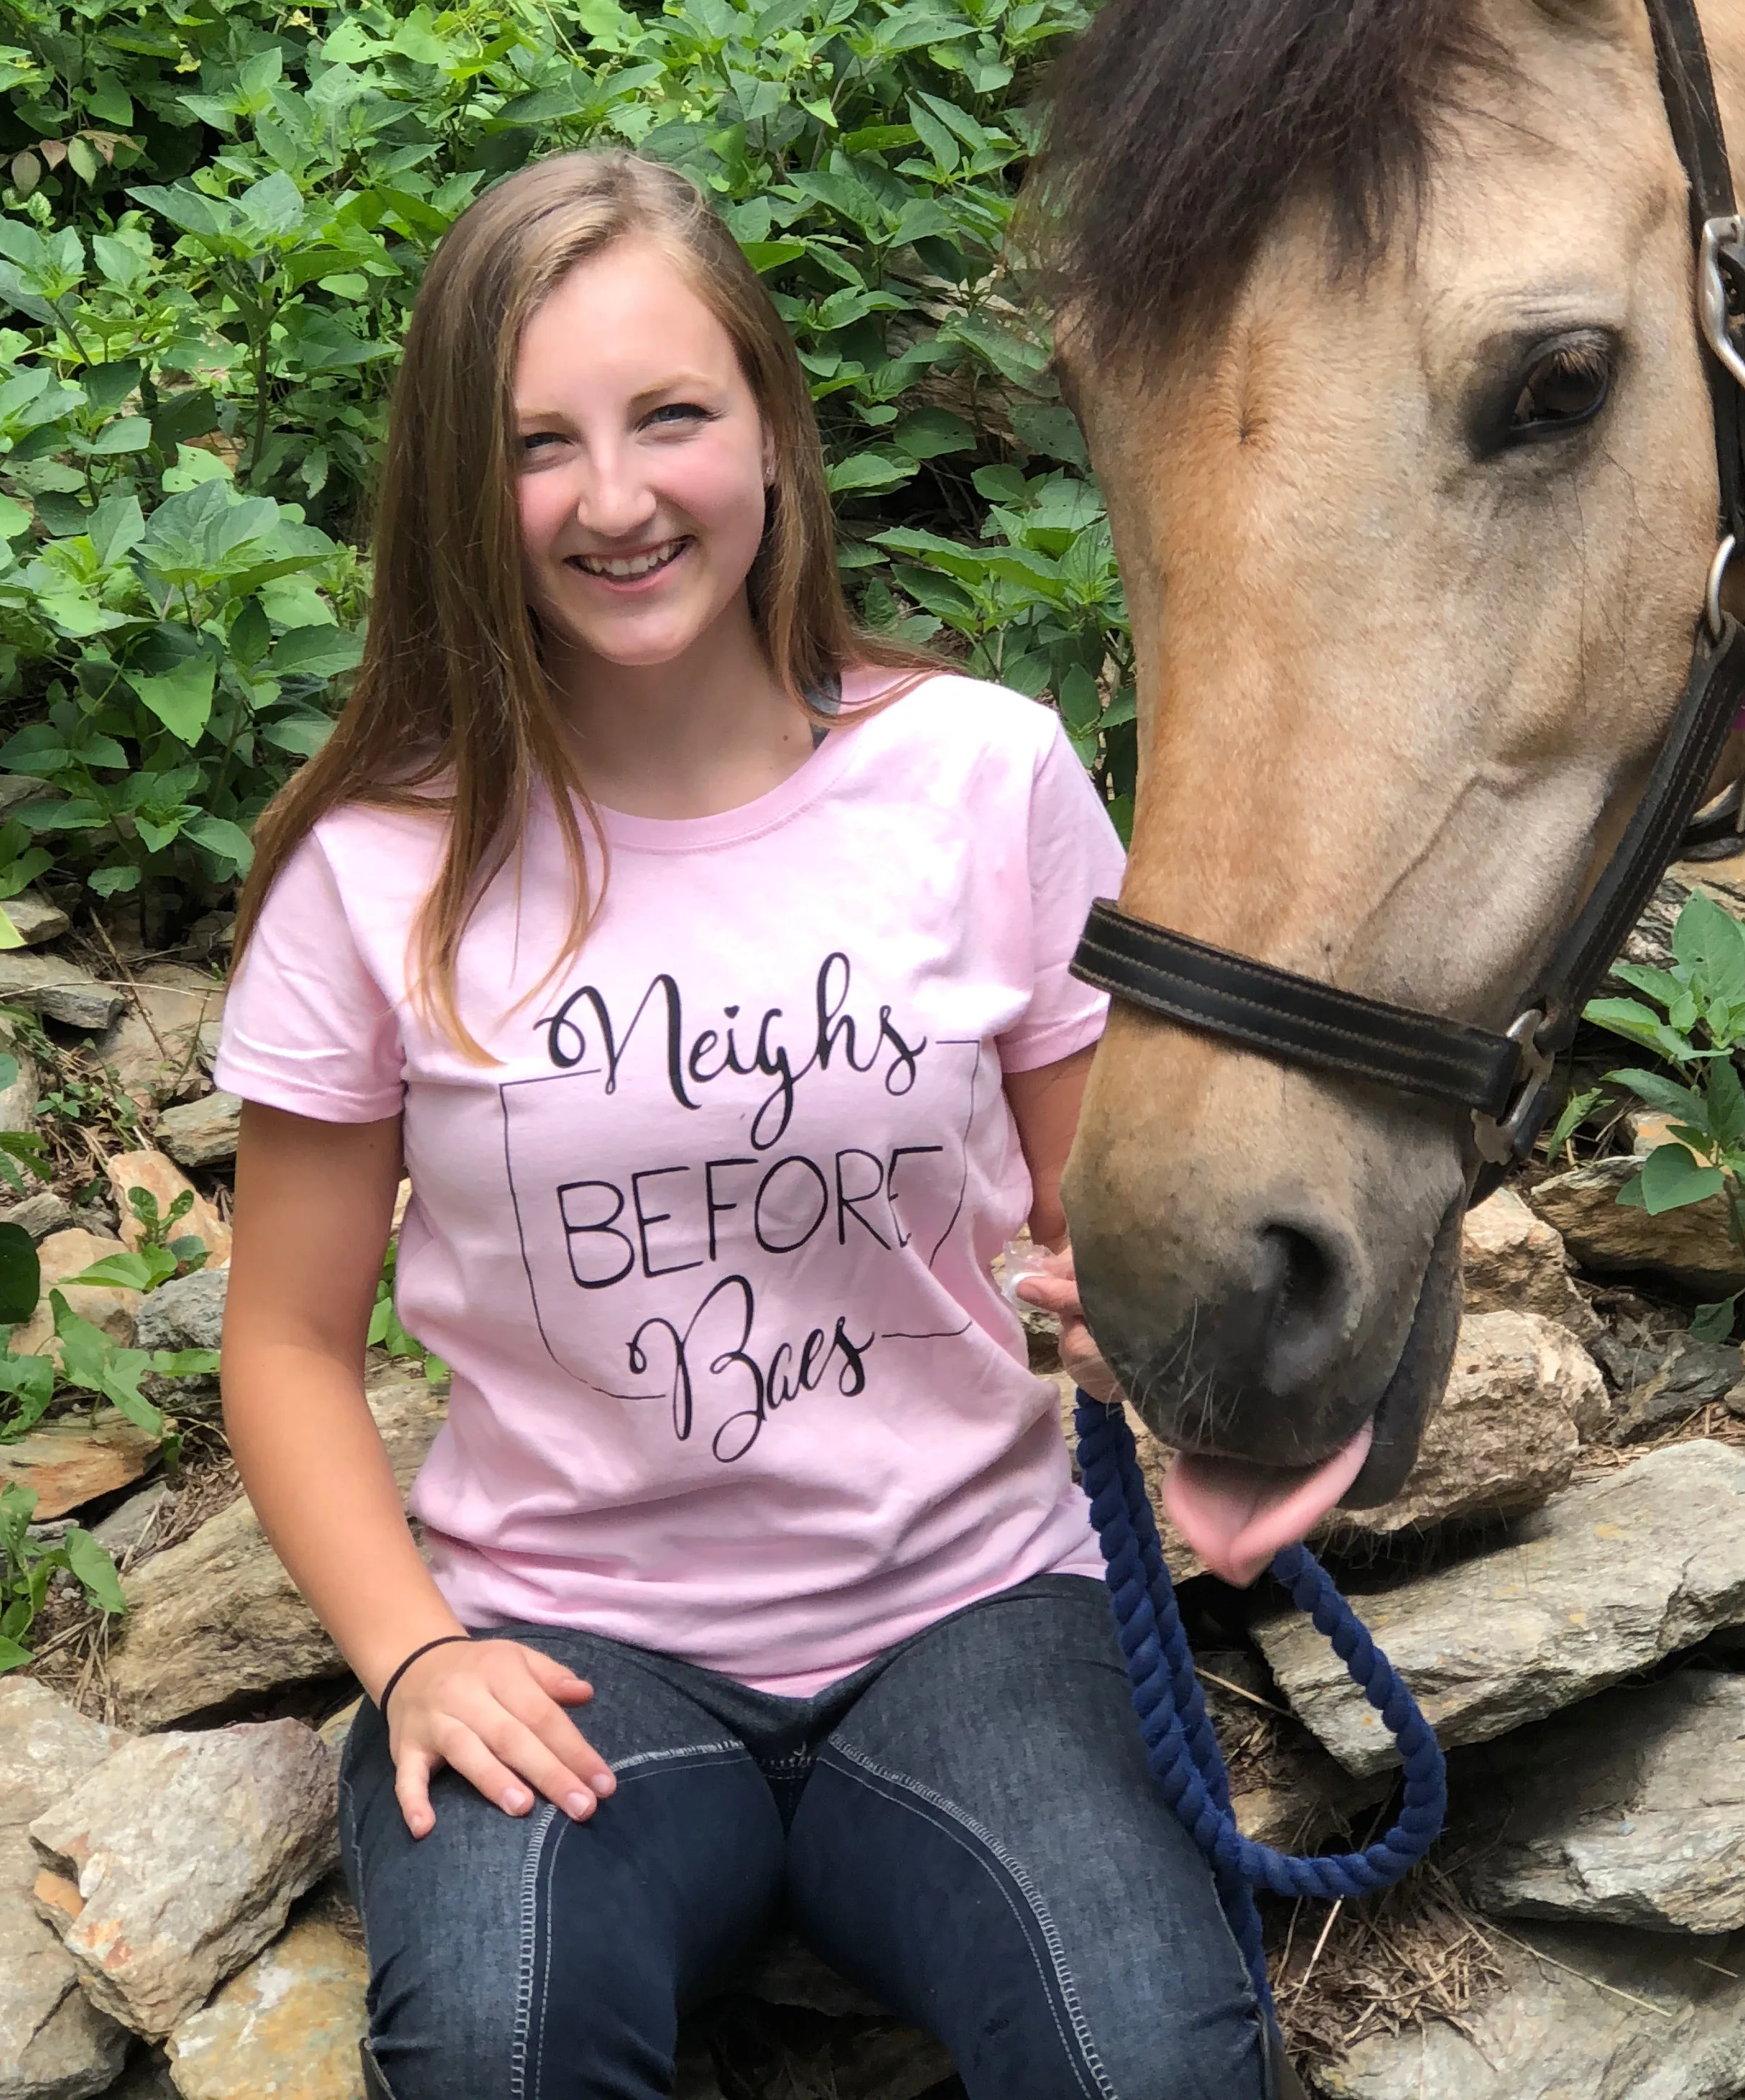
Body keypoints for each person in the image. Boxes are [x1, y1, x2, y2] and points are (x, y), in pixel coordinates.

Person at [216, 149, 1287, 2100]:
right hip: (567, 1642)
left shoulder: (984, 779)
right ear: (463, 489)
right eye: (539, 443)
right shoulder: (375, 875)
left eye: (671, 416)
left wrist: (1144, 1334)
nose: (614, 498)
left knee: (1155, 2053)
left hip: (977, 1609)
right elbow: (283, 1345)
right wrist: (412, 1657)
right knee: (495, 2047)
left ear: (776, 438)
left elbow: (1100, 1225)